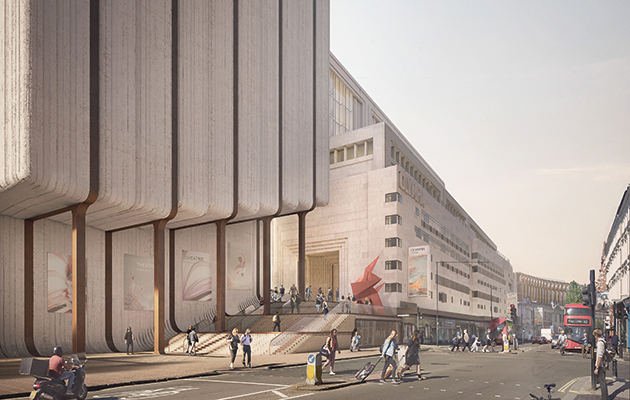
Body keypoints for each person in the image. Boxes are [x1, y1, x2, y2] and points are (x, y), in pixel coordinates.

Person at [593, 329, 609, 400]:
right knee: (603, 381)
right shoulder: (603, 341)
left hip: (601, 365)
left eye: (594, 336)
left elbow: (599, 356)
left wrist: (597, 367)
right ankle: (605, 397)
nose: (594, 337)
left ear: (596, 335)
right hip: (604, 364)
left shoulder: (600, 343)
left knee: (602, 382)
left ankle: (604, 398)